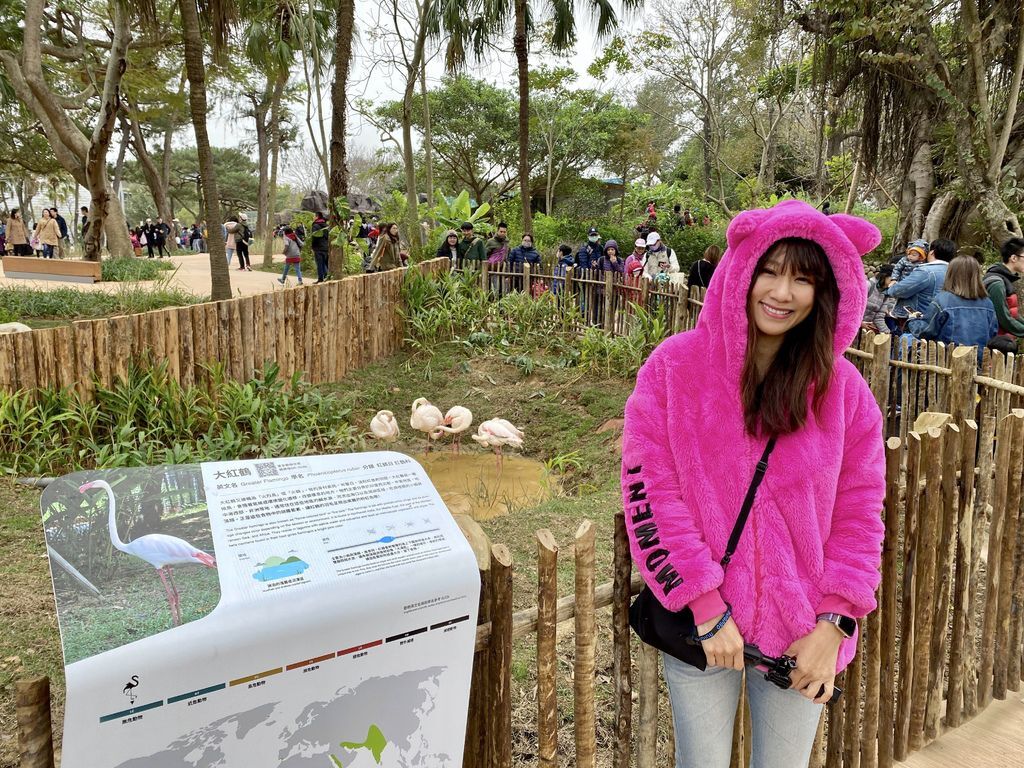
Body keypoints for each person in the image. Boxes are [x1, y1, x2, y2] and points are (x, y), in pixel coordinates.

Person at [622, 199, 885, 768]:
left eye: (803, 279)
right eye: (770, 270)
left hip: (803, 635)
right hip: (703, 629)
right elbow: (649, 493)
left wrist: (835, 622)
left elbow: (860, 512)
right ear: (742, 270)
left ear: (827, 293)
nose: (782, 292)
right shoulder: (674, 369)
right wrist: (704, 603)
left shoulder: (843, 393)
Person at [909, 256, 997, 364]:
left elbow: (926, 331)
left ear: (950, 274)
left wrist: (913, 320)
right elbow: (993, 332)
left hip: (946, 361)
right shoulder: (988, 303)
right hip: (977, 361)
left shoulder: (942, 300)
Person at [885, 237, 954, 318]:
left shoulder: (926, 271)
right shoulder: (953, 273)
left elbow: (898, 291)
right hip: (938, 318)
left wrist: (892, 286)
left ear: (932, 252)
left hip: (917, 318)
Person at [983, 237, 1024, 340]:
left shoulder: (1005, 278)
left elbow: (1012, 313)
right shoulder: (996, 283)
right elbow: (1003, 318)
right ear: (1013, 258)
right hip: (996, 342)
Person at [862, 264, 895, 333]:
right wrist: (860, 323)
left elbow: (879, 317)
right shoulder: (867, 286)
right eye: (892, 280)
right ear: (884, 276)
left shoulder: (885, 294)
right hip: (852, 328)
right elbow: (851, 310)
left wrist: (887, 333)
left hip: (865, 331)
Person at [311, 211, 330, 283]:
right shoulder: (326, 226)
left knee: (319, 264)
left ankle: (320, 279)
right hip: (326, 247)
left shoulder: (315, 225)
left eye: (314, 216)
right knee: (326, 263)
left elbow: (314, 237)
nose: (313, 217)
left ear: (317, 217)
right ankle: (327, 277)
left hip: (318, 247)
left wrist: (313, 247)